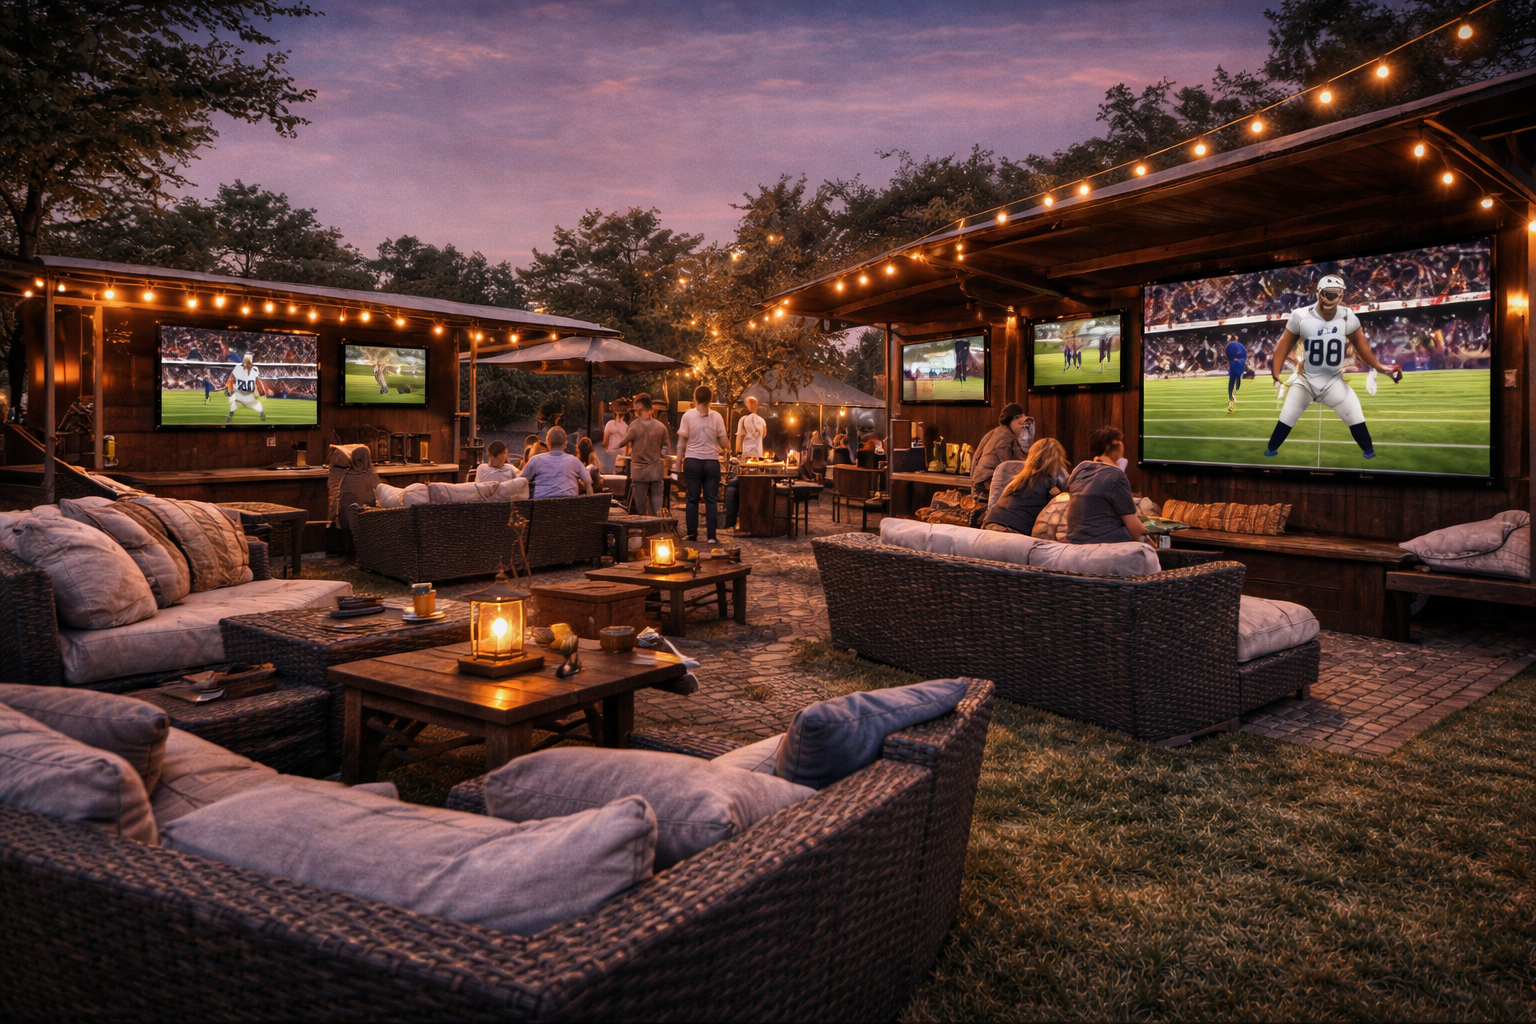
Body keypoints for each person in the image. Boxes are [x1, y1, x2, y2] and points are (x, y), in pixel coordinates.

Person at [1263, 274, 1402, 460]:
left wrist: (1381, 368)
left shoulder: (1348, 316)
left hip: (1333, 381)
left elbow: (1363, 349)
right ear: (1319, 293)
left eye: (1336, 294)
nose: (1331, 298)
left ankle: (1368, 451)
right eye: (1328, 294)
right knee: (1287, 417)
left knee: (1355, 415)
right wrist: (1275, 372)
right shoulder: (1300, 315)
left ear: (1342, 295)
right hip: (1306, 381)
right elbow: (1283, 344)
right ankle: (1271, 448)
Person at [1064, 426, 1148, 545]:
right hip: (1105, 543)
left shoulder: (1079, 470)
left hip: (1074, 541)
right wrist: (1151, 544)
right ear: (1116, 444)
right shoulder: (1116, 475)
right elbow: (1133, 527)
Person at [983, 438, 1070, 536]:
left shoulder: (1017, 479)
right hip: (1013, 530)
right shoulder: (1052, 480)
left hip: (989, 524)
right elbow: (1069, 493)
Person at [676, 384, 728, 542]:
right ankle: (711, 536)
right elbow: (724, 442)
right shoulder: (717, 417)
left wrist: (678, 464)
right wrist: (728, 448)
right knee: (711, 499)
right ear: (711, 399)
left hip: (692, 461)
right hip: (712, 462)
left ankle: (692, 534)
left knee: (692, 499)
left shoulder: (687, 416)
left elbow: (681, 443)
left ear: (695, 398)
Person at [618, 393, 670, 515]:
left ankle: (643, 530)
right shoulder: (662, 428)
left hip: (639, 473)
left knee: (641, 509)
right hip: (656, 471)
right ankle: (657, 528)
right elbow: (665, 451)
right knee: (657, 505)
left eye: (636, 409)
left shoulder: (634, 425)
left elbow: (624, 443)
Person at [970, 403, 1035, 496]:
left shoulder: (995, 431)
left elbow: (976, 457)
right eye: (1018, 418)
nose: (1022, 423)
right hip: (987, 482)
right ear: (1009, 420)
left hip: (978, 481)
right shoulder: (1006, 435)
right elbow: (1007, 466)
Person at [517, 427, 590, 498]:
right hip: (568, 508)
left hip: (541, 507)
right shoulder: (574, 461)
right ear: (565, 443)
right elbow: (588, 480)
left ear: (547, 442)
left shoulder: (535, 460)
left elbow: (520, 481)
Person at [224, 352, 265, 424]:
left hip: (239, 394)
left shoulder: (238, 368)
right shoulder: (254, 370)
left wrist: (229, 391)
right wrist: (262, 393)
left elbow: (231, 379)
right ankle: (262, 414)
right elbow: (258, 382)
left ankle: (230, 416)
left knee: (233, 403)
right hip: (249, 396)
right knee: (257, 405)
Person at [1225, 337, 1247, 413]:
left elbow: (1229, 357)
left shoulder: (1232, 346)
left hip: (1234, 364)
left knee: (1232, 381)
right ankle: (1231, 399)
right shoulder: (1237, 347)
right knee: (1235, 380)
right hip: (1237, 364)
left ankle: (1231, 397)